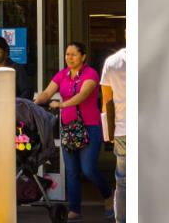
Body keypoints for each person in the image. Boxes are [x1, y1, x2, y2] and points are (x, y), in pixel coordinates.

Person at [36, 41, 112, 221]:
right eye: (67, 54)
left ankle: (109, 195)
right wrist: (36, 102)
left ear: (83, 56)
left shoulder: (91, 74)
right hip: (69, 128)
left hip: (89, 127)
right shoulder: (62, 75)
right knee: (71, 171)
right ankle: (75, 210)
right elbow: (47, 93)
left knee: (89, 169)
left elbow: (83, 95)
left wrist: (61, 104)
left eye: (73, 54)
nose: (69, 58)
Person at [99, 44, 128, 223]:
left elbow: (107, 102)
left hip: (123, 130)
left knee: (123, 183)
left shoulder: (112, 62)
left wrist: (108, 134)